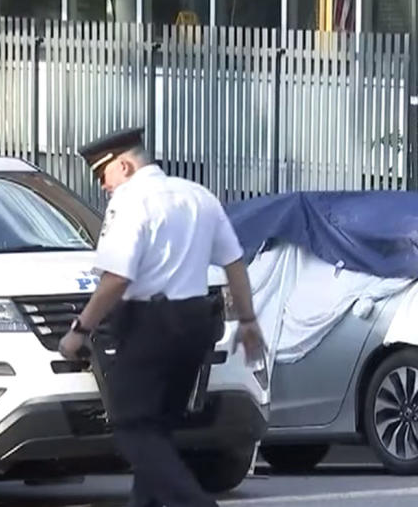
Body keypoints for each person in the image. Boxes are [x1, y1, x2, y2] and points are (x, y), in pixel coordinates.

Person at [57, 127, 265, 507]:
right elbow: (234, 261)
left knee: (133, 429)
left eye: (103, 175)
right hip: (196, 322)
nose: (103, 186)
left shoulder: (130, 200)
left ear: (124, 165)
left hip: (149, 325)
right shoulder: (197, 196)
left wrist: (79, 329)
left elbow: (117, 277)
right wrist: (248, 320)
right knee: (157, 430)